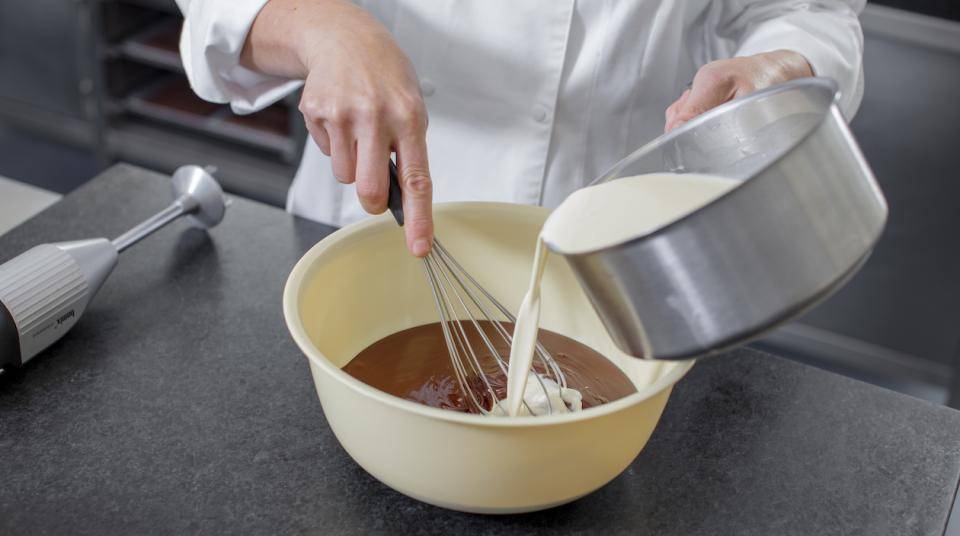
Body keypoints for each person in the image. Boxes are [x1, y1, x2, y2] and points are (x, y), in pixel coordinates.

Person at [176, 0, 864, 257]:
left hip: (621, 256)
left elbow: (813, 10)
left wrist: (782, 59)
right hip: (363, 227)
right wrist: (316, 24)